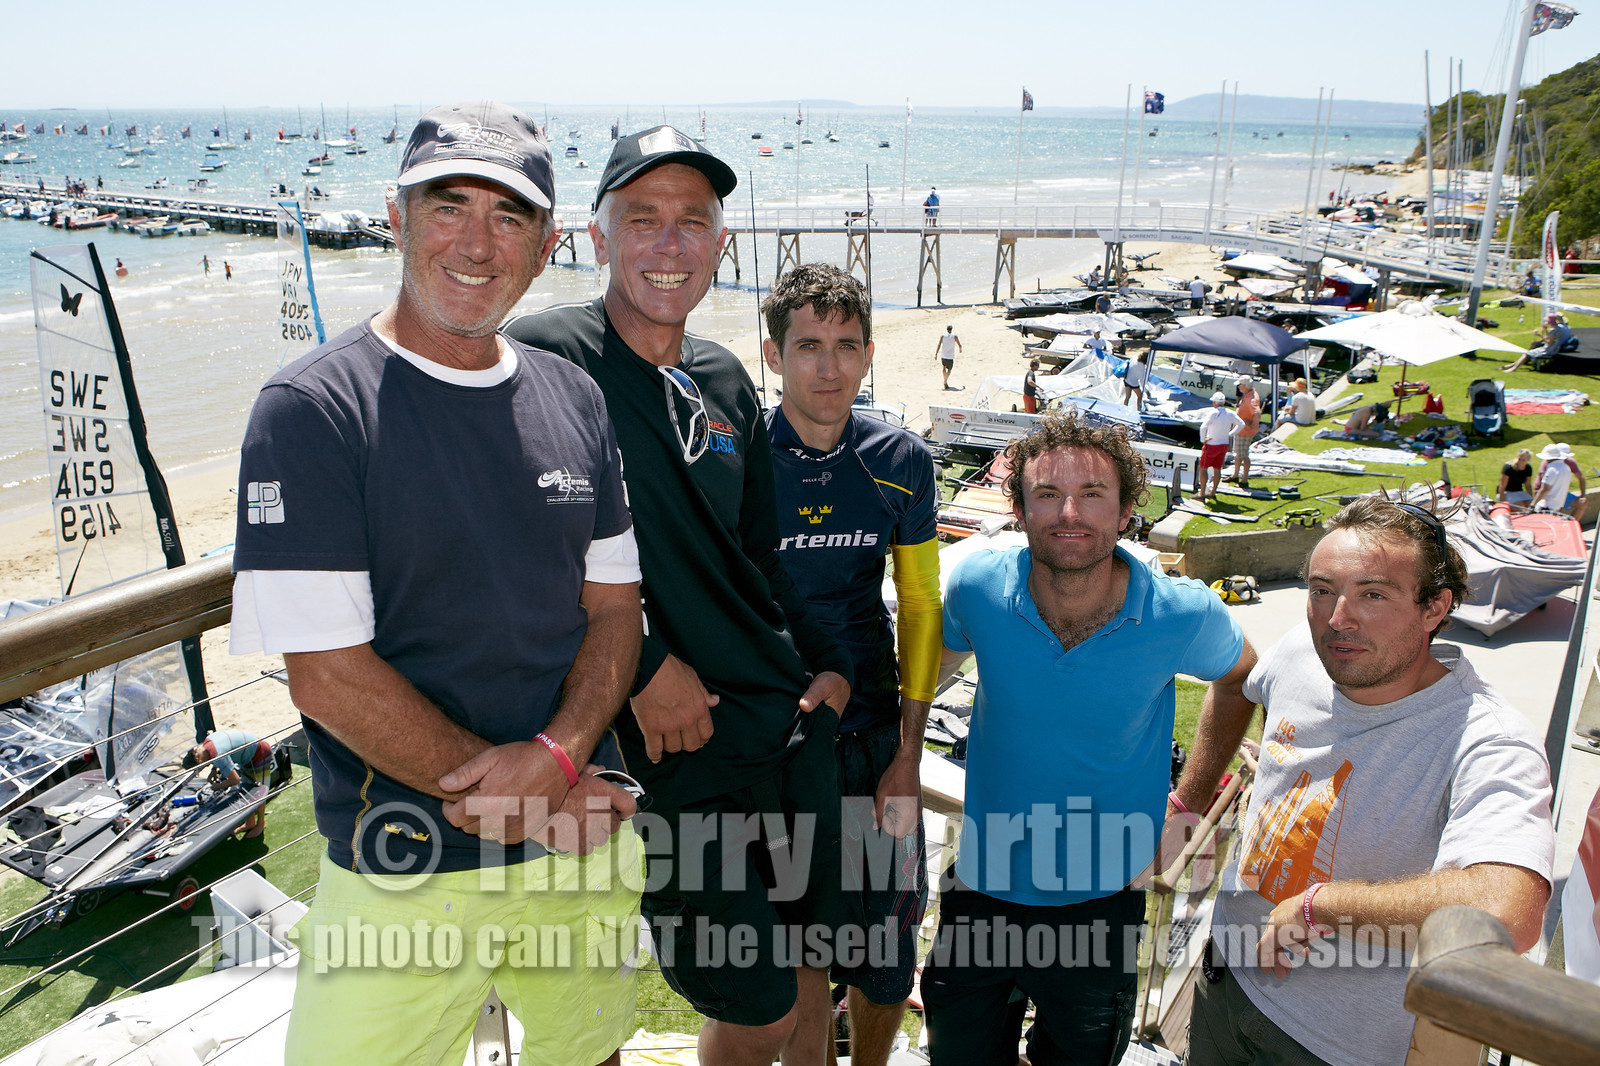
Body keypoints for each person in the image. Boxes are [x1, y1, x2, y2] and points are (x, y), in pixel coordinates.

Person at [231, 100, 645, 1066]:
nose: (475, 241)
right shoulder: (311, 410)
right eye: (447, 205)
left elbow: (616, 614)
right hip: (402, 865)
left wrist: (560, 753)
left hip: (578, 832)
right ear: (396, 217)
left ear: (545, 247)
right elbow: (326, 676)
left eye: (507, 217)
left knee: (587, 1051)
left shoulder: (571, 395)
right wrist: (539, 795)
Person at [504, 127, 857, 1066]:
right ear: (595, 237)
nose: (669, 244)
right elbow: (507, 553)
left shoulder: (724, 376)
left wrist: (825, 663)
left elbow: (757, 554)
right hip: (660, 752)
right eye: (643, 219)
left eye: (691, 222)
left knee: (796, 973)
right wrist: (644, 667)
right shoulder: (543, 357)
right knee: (747, 1000)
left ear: (720, 245)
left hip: (771, 727)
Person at [923, 409, 1257, 1065]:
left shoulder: (1180, 611)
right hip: (981, 891)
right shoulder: (976, 589)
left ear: (1128, 509)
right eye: (1046, 494)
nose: (1068, 512)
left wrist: (1186, 807)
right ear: (1018, 508)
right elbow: (919, 684)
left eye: (1093, 494)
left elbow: (1240, 678)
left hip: (1101, 905)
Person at [1189, 498, 1554, 1066]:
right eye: (1322, 590)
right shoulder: (1301, 653)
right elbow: (1253, 696)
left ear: (1435, 607)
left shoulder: (1489, 740)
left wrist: (1323, 907)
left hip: (1334, 1046)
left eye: (1373, 594)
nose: (1338, 619)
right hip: (1225, 977)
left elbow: (1509, 910)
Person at [760, 263, 942, 1066]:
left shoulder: (900, 459)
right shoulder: (736, 461)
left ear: (868, 356)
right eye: (807, 346)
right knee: (799, 941)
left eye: (844, 346)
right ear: (773, 356)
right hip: (777, 745)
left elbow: (923, 610)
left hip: (874, 744)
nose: (827, 367)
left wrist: (909, 752)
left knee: (886, 950)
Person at [183, 728, 276, 837]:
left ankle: (260, 823)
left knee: (259, 792)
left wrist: (218, 786)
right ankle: (250, 822)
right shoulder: (207, 743)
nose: (203, 768)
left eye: (200, 767)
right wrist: (214, 770)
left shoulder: (218, 756)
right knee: (248, 789)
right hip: (247, 756)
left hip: (261, 754)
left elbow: (235, 780)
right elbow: (219, 752)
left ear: (199, 761)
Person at [1198, 391, 1244, 501]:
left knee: (1203, 468)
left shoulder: (1213, 413)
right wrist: (1230, 434)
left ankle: (1202, 493)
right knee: (1217, 468)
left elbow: (1203, 427)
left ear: (1214, 402)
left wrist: (1203, 439)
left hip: (1212, 444)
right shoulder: (1230, 413)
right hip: (1224, 444)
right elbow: (1241, 424)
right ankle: (1213, 491)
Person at [1502, 312, 1575, 372]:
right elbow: (1550, 339)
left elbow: (1549, 343)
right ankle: (1512, 366)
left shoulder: (1553, 330)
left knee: (1527, 353)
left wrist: (1540, 335)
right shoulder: (1558, 329)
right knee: (1529, 352)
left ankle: (1513, 368)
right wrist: (1546, 331)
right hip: (1554, 348)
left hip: (1550, 350)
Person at [1230, 378, 1262, 489]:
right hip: (1241, 430)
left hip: (1245, 432)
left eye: (1240, 385)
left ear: (1245, 385)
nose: (1238, 387)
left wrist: (1252, 424)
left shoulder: (1251, 398)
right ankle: (1235, 475)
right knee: (1239, 454)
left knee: (1243, 455)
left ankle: (1244, 480)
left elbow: (1257, 413)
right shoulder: (1249, 395)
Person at [1532, 441, 1574, 513]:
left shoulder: (1552, 469)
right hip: (1557, 506)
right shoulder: (1566, 468)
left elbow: (1545, 490)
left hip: (1546, 506)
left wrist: (1533, 504)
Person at [934, 323, 962, 389]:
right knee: (949, 370)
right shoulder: (954, 336)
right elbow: (959, 344)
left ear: (947, 329)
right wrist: (960, 349)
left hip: (944, 355)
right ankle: (945, 381)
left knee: (944, 368)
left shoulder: (943, 336)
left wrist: (936, 353)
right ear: (951, 329)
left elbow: (939, 344)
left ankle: (945, 381)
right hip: (950, 356)